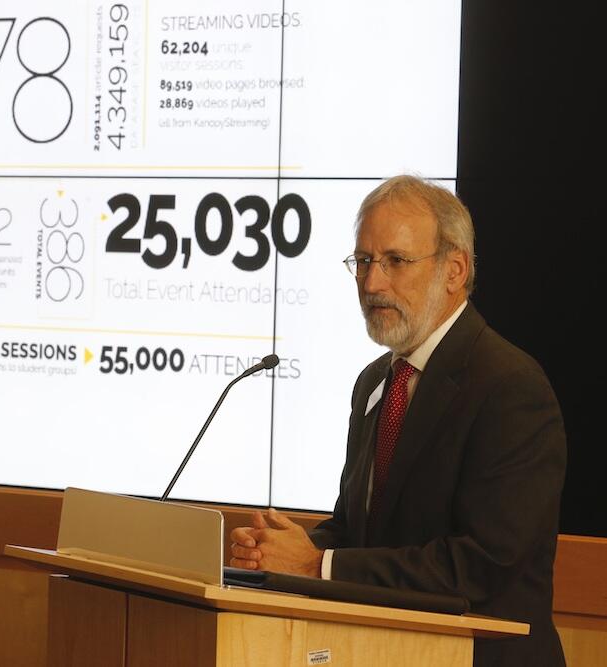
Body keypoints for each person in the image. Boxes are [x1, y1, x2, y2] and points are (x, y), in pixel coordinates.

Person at [229, 175, 567, 666]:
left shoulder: (510, 386)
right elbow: (359, 534)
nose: (371, 282)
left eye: (395, 261)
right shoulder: (374, 383)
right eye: (363, 262)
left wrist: (319, 564)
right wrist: (281, 551)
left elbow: (480, 565)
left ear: (454, 269)